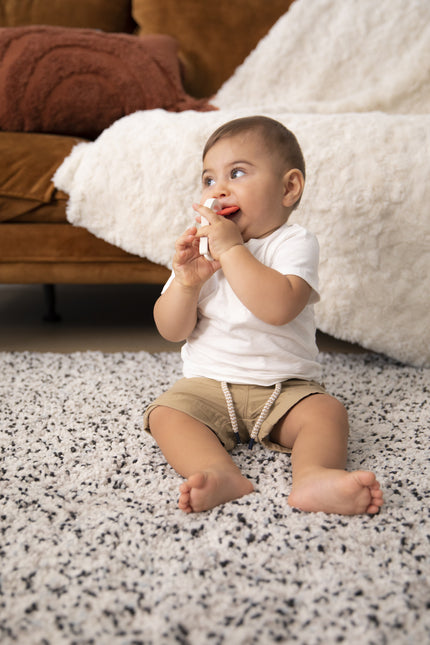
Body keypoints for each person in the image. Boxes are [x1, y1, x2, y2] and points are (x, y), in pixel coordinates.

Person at [143, 115, 383, 516]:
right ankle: (216, 472)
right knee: (166, 413)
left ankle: (314, 476)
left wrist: (233, 250)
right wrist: (186, 284)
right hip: (209, 385)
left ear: (289, 188)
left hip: (285, 389)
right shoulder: (202, 251)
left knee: (326, 413)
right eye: (208, 179)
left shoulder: (293, 242)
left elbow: (277, 308)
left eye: (237, 173)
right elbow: (171, 330)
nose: (219, 189)